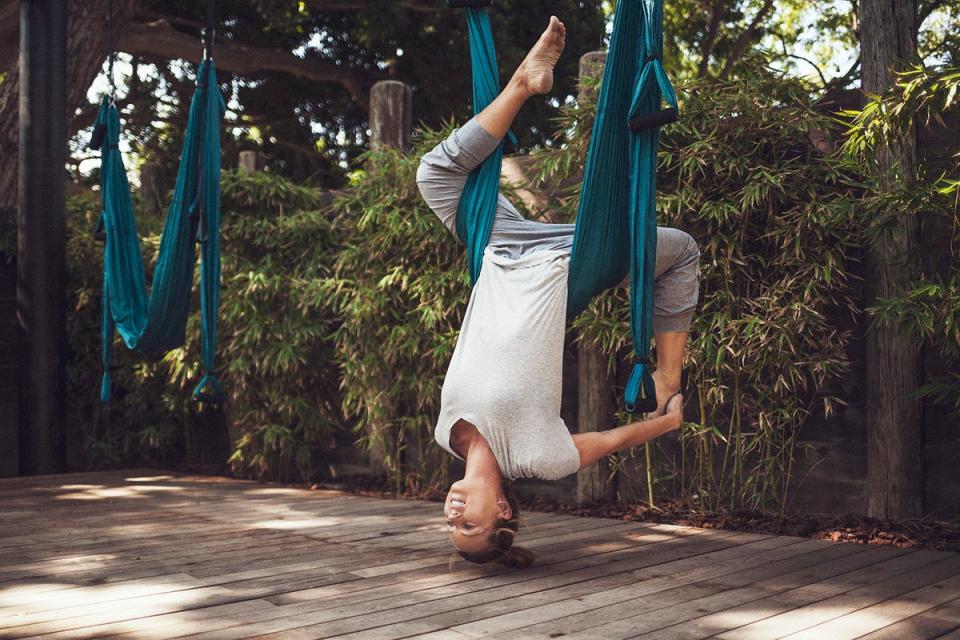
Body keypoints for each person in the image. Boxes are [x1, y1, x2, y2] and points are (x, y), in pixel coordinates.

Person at [416, 16, 699, 569]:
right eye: (469, 524)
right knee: (681, 249)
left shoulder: (444, 435)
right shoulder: (538, 459)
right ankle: (670, 367)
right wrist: (666, 413)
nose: (454, 517)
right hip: (569, 264)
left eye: (451, 527)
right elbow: (607, 442)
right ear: (502, 508)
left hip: (498, 249)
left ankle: (523, 82)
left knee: (434, 175)